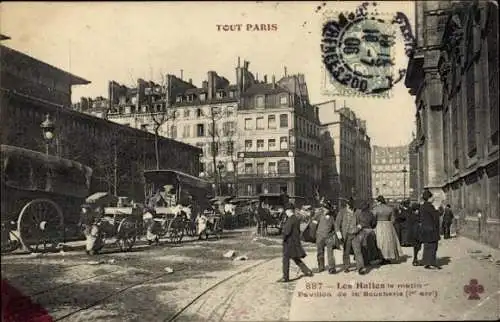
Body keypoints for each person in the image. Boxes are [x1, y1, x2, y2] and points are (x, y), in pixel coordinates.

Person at [278, 203, 313, 283]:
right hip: (295, 242)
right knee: (295, 258)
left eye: (286, 211)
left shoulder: (290, 219)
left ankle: (285, 277)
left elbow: (286, 232)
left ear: (288, 211)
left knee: (285, 259)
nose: (286, 212)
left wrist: (283, 234)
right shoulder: (296, 219)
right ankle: (307, 271)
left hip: (289, 243)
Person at [335, 198, 368, 275]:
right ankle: (346, 266)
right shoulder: (342, 212)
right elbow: (337, 224)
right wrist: (339, 236)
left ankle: (361, 268)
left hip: (355, 235)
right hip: (345, 235)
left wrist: (357, 228)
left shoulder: (358, 212)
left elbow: (362, 222)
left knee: (358, 251)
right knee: (346, 252)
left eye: (352, 206)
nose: (351, 208)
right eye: (349, 206)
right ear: (346, 205)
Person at [372, 195, 403, 263]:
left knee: (380, 242)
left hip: (379, 225)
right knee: (389, 242)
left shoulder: (375, 209)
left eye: (377, 201)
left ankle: (381, 257)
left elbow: (373, 219)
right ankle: (388, 257)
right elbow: (393, 220)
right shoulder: (390, 208)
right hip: (388, 226)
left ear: (379, 201)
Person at [419, 189, 442, 270]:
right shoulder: (430, 207)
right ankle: (432, 263)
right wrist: (438, 210)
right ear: (429, 198)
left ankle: (426, 262)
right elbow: (435, 217)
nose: (433, 199)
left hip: (424, 229)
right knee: (433, 246)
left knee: (427, 246)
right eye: (432, 197)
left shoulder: (422, 206)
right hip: (431, 229)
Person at [313, 200, 337, 274]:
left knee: (330, 252)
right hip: (320, 236)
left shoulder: (332, 216)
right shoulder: (318, 215)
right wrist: (315, 234)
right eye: (325, 208)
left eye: (327, 209)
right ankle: (321, 267)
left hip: (329, 236)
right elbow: (314, 224)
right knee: (320, 252)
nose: (326, 210)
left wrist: (335, 234)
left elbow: (335, 226)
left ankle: (332, 268)